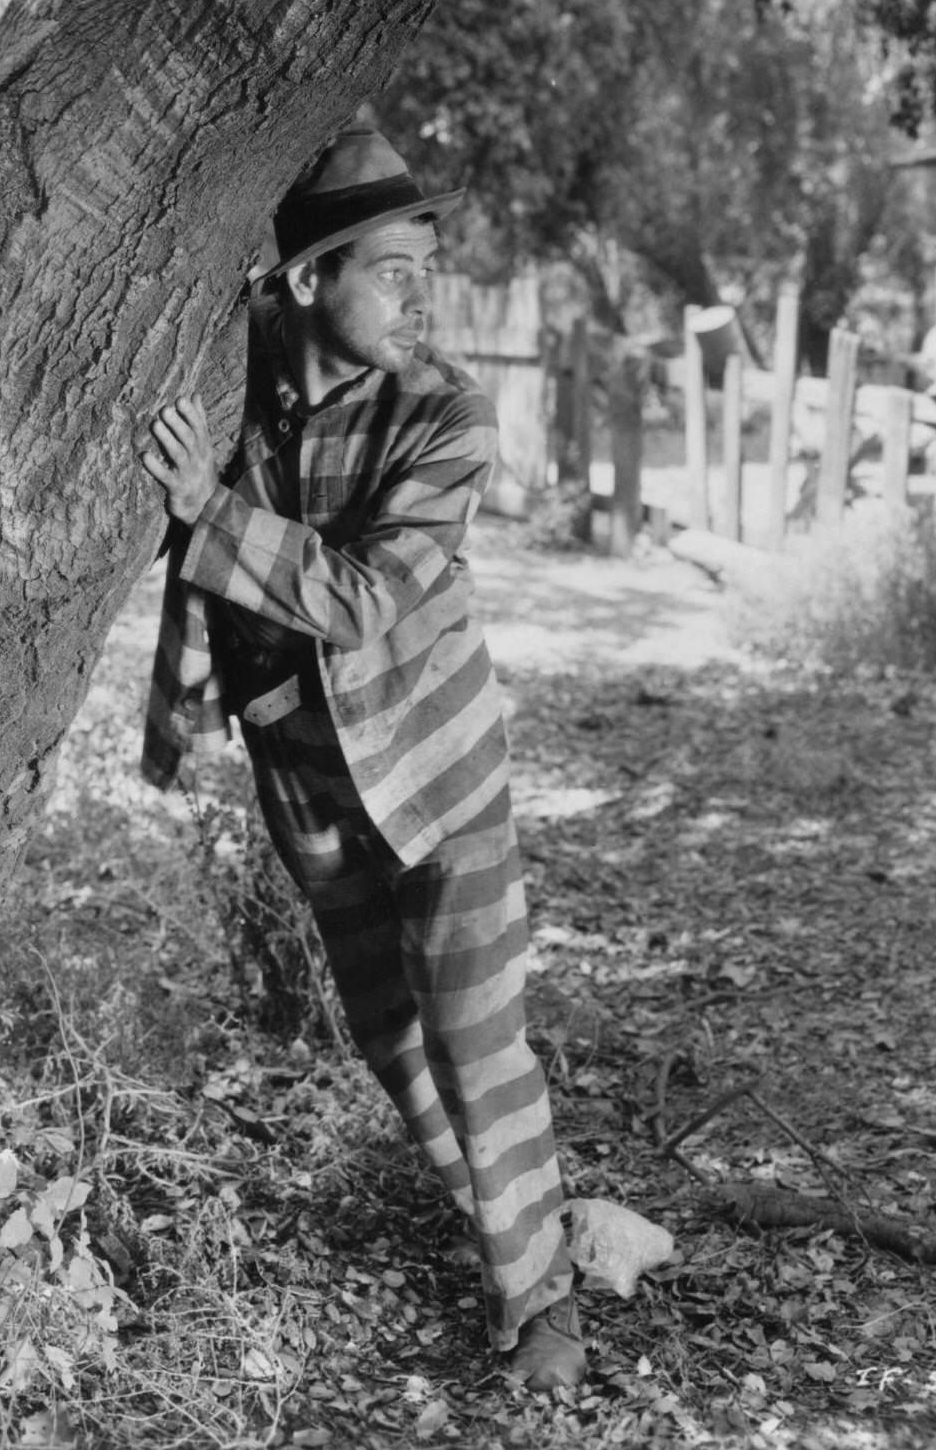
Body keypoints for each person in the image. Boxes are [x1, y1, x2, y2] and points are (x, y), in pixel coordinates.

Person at [140, 123, 585, 1391]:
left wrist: (209, 511)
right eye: (390, 268)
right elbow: (197, 582)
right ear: (305, 280)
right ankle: (521, 1230)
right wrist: (174, 714)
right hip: (307, 776)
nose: (419, 294)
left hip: (436, 774)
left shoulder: (446, 408)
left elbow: (362, 598)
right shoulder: (241, 385)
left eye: (423, 267)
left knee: (473, 1038)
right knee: (389, 1040)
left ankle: (541, 1303)